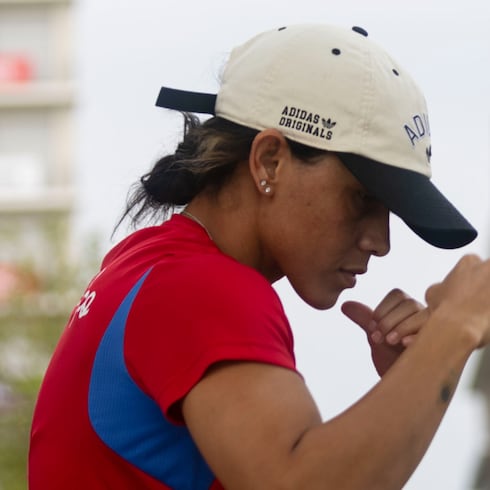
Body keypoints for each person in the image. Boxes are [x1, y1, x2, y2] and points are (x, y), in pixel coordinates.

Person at [28, 23, 490, 490]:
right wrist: (452, 332)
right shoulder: (203, 285)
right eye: (362, 198)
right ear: (270, 160)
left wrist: (411, 380)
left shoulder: (152, 262)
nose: (380, 241)